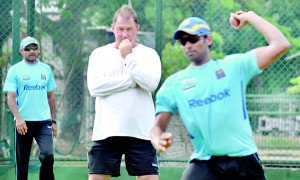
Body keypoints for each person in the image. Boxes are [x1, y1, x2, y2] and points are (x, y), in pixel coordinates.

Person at [151, 10, 290, 180]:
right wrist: (157, 139)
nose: (188, 45)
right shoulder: (174, 84)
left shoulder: (234, 66)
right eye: (183, 41)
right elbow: (158, 126)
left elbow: (281, 44)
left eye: (193, 39)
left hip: (244, 159)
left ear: (208, 39)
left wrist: (250, 17)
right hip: (206, 163)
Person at [86, 4, 161, 180]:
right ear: (113, 28)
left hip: (141, 132)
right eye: (120, 29)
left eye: (129, 29)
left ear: (138, 29)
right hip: (106, 131)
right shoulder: (99, 54)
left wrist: (128, 57)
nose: (125, 34)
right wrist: (133, 81)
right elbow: (95, 88)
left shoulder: (149, 55)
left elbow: (150, 84)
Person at [3, 36, 57, 180]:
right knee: (22, 164)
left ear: (39, 50)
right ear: (21, 51)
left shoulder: (46, 70)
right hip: (23, 123)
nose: (31, 51)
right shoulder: (15, 70)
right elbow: (11, 97)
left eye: (34, 47)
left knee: (47, 155)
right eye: (28, 48)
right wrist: (19, 119)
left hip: (43, 122)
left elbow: (51, 97)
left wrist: (53, 121)